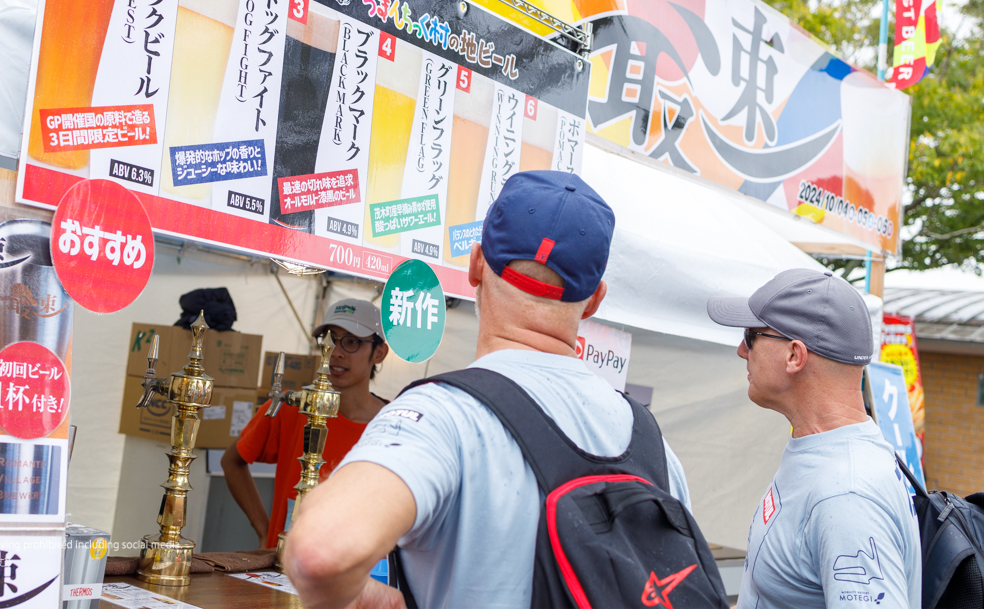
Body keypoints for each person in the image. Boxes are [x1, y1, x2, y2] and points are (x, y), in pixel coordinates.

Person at [283, 171, 691, 609]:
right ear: (594, 299)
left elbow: (318, 552)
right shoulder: (652, 445)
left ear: (476, 265)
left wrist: (373, 601)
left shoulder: (442, 416)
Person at [707, 268, 920, 608]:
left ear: (795, 355)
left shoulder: (847, 494)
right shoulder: (827, 453)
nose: (741, 351)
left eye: (751, 336)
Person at [221, 298, 389, 549]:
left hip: (354, 573)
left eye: (351, 342)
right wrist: (264, 529)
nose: (336, 351)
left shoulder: (394, 424)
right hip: (282, 570)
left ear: (378, 353)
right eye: (329, 339)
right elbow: (232, 461)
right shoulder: (290, 407)